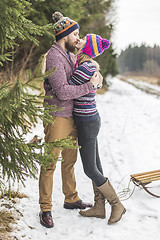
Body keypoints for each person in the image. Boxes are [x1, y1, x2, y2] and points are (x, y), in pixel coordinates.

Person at [39, 12, 102, 228]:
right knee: (49, 164)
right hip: (57, 116)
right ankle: (45, 208)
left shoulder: (70, 55)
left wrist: (96, 79)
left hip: (73, 116)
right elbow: (64, 92)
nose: (78, 38)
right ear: (64, 35)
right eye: (75, 34)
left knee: (70, 161)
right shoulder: (54, 57)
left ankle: (71, 198)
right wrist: (89, 86)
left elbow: (85, 77)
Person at [68, 34, 126, 224]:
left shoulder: (86, 67)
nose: (80, 39)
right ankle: (99, 207)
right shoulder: (86, 65)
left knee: (90, 169)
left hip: (88, 122)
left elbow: (67, 86)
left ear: (88, 49)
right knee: (97, 165)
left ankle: (116, 204)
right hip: (89, 120)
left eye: (83, 39)